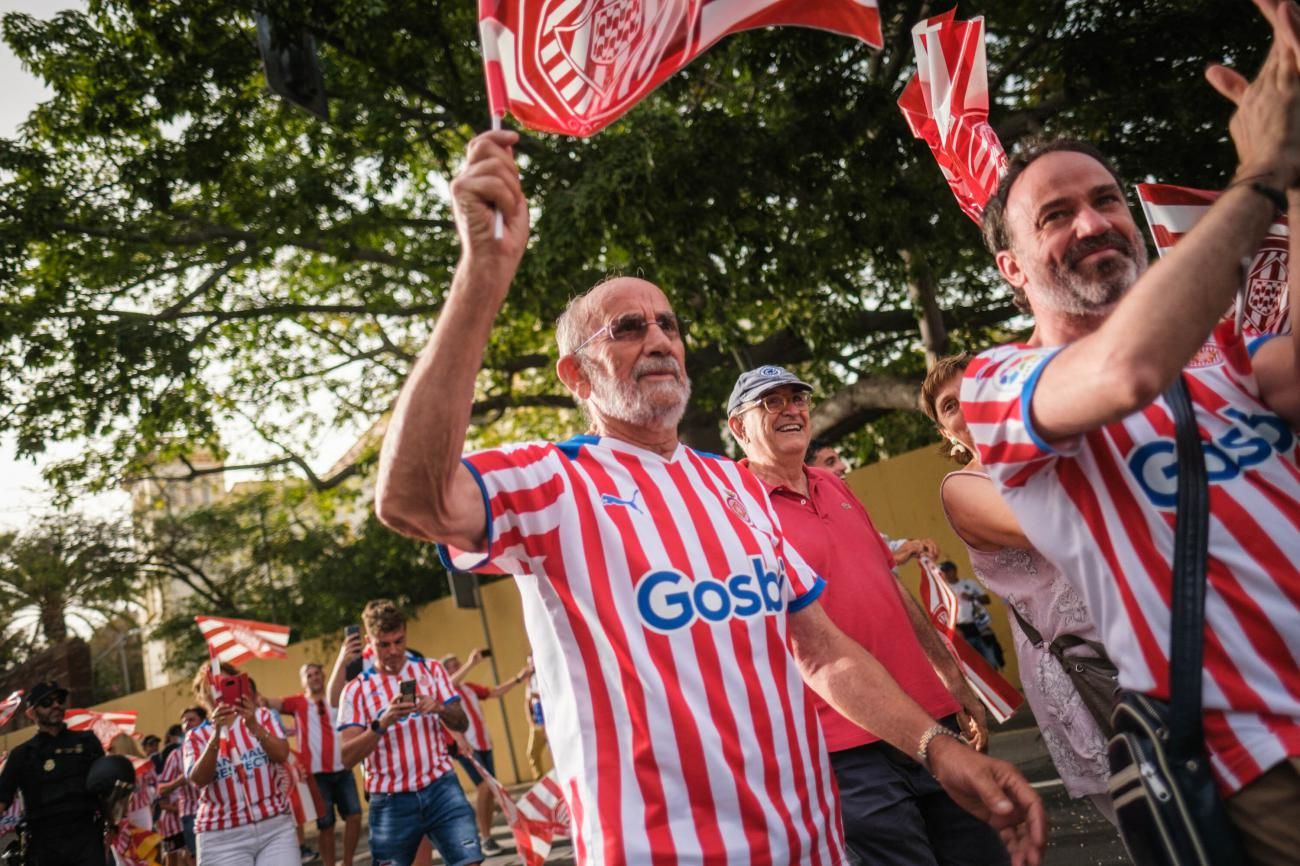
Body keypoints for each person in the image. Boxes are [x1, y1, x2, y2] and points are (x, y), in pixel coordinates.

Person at [372, 129, 1045, 866]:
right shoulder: (552, 481)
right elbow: (411, 498)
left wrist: (936, 748)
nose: (658, 337)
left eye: (667, 323)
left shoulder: (733, 484)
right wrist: (482, 275)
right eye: (627, 328)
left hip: (812, 841)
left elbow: (820, 652)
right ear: (574, 376)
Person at [959, 3, 1300, 861]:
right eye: (1055, 215)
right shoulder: (997, 385)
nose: (1092, 223)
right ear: (1012, 270)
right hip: (1258, 760)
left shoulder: (1224, 350)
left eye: (1107, 200)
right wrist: (1259, 175)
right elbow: (1125, 372)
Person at [728, 365, 1008, 865]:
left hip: (929, 716)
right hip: (841, 747)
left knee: (983, 854)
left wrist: (952, 677)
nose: (791, 409)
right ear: (737, 427)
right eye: (770, 402)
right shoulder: (730, 511)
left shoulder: (835, 486)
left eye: (798, 398)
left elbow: (890, 588)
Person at [921, 353, 1115, 822]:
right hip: (1086, 665)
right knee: (1154, 816)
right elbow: (1046, 525)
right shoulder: (961, 486)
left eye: (972, 391)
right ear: (946, 433)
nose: (964, 406)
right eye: (949, 405)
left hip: (1141, 631)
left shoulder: (1052, 446)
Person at [338, 600, 480, 866]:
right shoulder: (355, 690)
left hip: (440, 786)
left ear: (405, 633)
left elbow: (461, 724)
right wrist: (382, 723)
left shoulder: (431, 669)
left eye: (399, 641)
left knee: (469, 860)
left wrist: (439, 708)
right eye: (384, 644)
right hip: (391, 799)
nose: (393, 651)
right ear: (370, 641)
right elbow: (346, 757)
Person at [183, 663, 297, 864]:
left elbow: (281, 754)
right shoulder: (196, 736)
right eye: (211, 686)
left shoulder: (262, 716)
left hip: (275, 827)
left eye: (225, 683)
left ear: (237, 685)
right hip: (222, 837)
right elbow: (198, 779)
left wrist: (253, 726)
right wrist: (216, 735)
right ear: (203, 695)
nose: (218, 692)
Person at [264, 648, 362, 866]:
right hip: (316, 775)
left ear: (324, 675)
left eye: (317, 673)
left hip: (343, 768)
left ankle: (347, 862)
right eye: (309, 675)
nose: (314, 678)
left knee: (354, 816)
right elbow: (266, 702)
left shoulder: (338, 696)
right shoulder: (297, 703)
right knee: (325, 825)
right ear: (303, 681)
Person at [0, 681, 106, 865]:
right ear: (31, 713)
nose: (56, 705)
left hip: (86, 839)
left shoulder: (88, 742)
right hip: (45, 846)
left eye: (60, 700)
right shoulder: (22, 755)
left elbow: (107, 788)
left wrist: (112, 825)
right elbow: (2, 798)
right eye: (47, 702)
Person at [442, 649, 533, 856]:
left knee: (490, 789)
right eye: (454, 665)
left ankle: (488, 838)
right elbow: (448, 684)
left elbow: (495, 692)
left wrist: (520, 678)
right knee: (483, 787)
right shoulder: (447, 690)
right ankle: (483, 838)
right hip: (466, 746)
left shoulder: (469, 688)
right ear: (446, 671)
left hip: (484, 744)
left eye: (459, 663)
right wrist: (471, 664)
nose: (459, 666)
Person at [522, 657, 548, 780]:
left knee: (555, 751)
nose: (531, 665)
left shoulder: (545, 675)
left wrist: (536, 694)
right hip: (538, 721)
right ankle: (540, 780)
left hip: (549, 719)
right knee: (532, 753)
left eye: (532, 661)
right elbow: (527, 702)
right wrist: (531, 722)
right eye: (529, 663)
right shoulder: (530, 680)